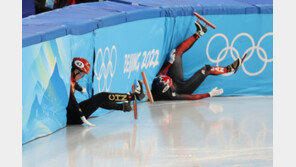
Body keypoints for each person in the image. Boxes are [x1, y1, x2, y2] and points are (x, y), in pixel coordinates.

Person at [151, 20, 245, 101]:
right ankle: (229, 69)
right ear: (169, 86)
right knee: (206, 69)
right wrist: (209, 94)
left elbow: (162, 72)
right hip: (183, 89)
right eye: (169, 81)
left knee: (176, 53)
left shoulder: (158, 80)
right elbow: (193, 97)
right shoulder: (171, 95)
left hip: (175, 81)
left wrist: (170, 62)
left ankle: (199, 32)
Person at [67, 57, 145, 126]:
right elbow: (72, 100)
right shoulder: (69, 82)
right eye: (81, 75)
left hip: (73, 114)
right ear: (75, 71)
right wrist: (81, 116)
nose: (81, 77)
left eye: (83, 75)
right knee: (102, 96)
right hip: (75, 116)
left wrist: (81, 89)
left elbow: (74, 84)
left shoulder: (70, 79)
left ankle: (122, 107)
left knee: (99, 101)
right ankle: (131, 96)